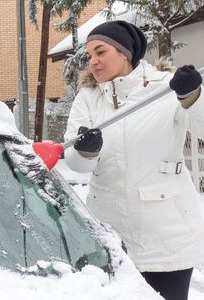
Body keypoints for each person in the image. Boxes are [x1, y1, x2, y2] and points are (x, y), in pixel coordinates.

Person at [63, 20, 204, 300]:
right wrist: (85, 151)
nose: (93, 61)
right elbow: (76, 163)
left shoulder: (166, 88)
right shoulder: (88, 98)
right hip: (110, 233)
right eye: (89, 55)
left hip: (166, 233)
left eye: (100, 52)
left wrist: (193, 97)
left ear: (124, 52)